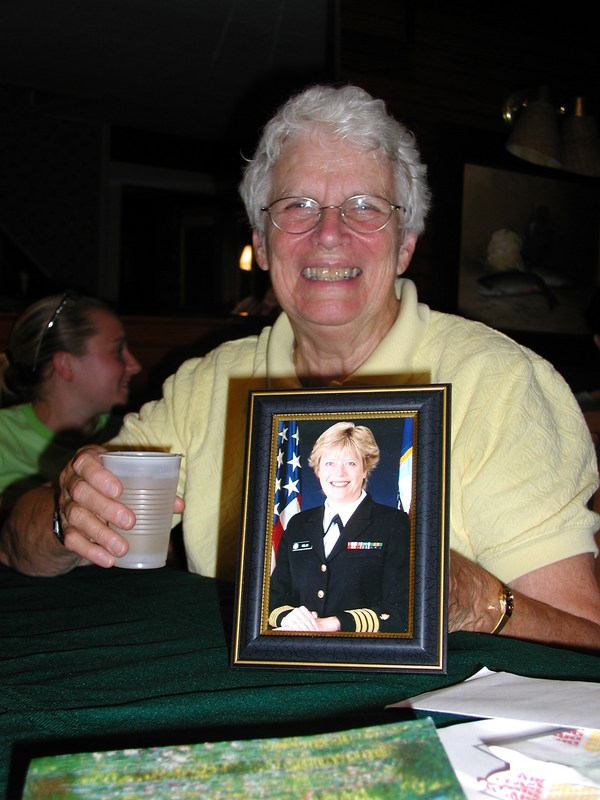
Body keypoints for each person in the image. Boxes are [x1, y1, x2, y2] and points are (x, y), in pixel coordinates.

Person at [2, 84, 600, 650]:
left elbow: (585, 638)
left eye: (364, 206)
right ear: (262, 243)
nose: (329, 233)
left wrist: (479, 604)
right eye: (298, 206)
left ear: (406, 244)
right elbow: (15, 546)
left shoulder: (501, 385)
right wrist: (65, 514)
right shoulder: (205, 387)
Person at [0, 292, 141, 522]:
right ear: (66, 365)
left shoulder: (133, 433)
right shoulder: (4, 434)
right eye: (117, 351)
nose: (135, 365)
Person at [268, 421, 411, 633]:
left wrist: (334, 623)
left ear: (365, 469)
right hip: (299, 643)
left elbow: (401, 611)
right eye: (329, 464)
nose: (339, 473)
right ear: (318, 470)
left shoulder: (394, 524)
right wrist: (289, 616)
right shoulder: (298, 525)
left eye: (350, 463)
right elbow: (272, 599)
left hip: (361, 648)